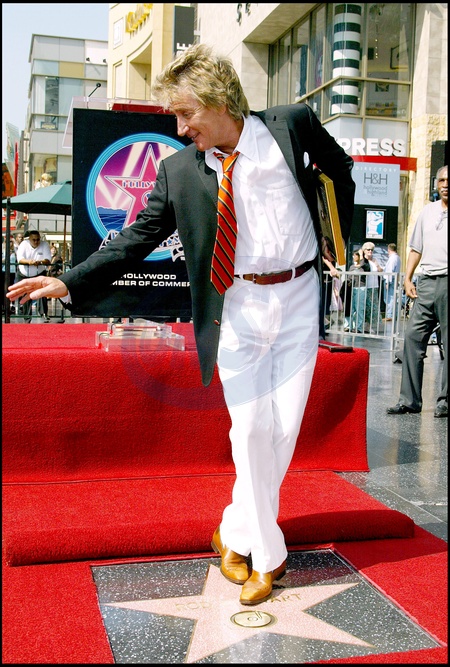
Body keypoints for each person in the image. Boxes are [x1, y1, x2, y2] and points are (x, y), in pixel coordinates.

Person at [7, 44, 355, 604]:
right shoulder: (178, 172)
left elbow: (341, 169)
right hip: (235, 307)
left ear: (220, 101)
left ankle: (233, 532)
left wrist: (341, 234)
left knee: (282, 434)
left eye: (186, 113)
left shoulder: (292, 125)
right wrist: (70, 281)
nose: (179, 127)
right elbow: (134, 239)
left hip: (298, 298)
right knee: (250, 431)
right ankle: (269, 558)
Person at [387, 165, 447, 418]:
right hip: (426, 282)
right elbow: (415, 249)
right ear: (436, 184)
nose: (446, 184)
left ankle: (445, 401)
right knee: (412, 338)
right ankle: (409, 400)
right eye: (442, 180)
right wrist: (408, 278)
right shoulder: (427, 212)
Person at [15, 230, 52, 322]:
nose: (36, 242)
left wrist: (40, 262)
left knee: (43, 293)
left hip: (39, 273)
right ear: (29, 239)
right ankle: (27, 317)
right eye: (34, 240)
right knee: (26, 295)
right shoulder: (23, 244)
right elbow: (20, 259)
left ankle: (44, 313)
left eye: (38, 239)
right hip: (24, 274)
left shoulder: (44, 244)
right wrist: (29, 262)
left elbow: (48, 260)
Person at [360, 241, 383, 332]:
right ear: (364, 250)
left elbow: (380, 270)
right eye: (368, 250)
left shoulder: (374, 260)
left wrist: (377, 265)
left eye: (372, 250)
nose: (370, 251)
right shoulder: (363, 260)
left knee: (373, 307)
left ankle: (369, 325)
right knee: (366, 306)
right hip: (366, 285)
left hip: (374, 286)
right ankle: (363, 325)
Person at [382, 242, 401, 321]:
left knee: (389, 298)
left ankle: (390, 315)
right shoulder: (397, 258)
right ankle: (393, 314)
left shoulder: (392, 258)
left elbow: (390, 270)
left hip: (391, 280)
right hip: (394, 279)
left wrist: (387, 282)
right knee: (392, 297)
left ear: (389, 250)